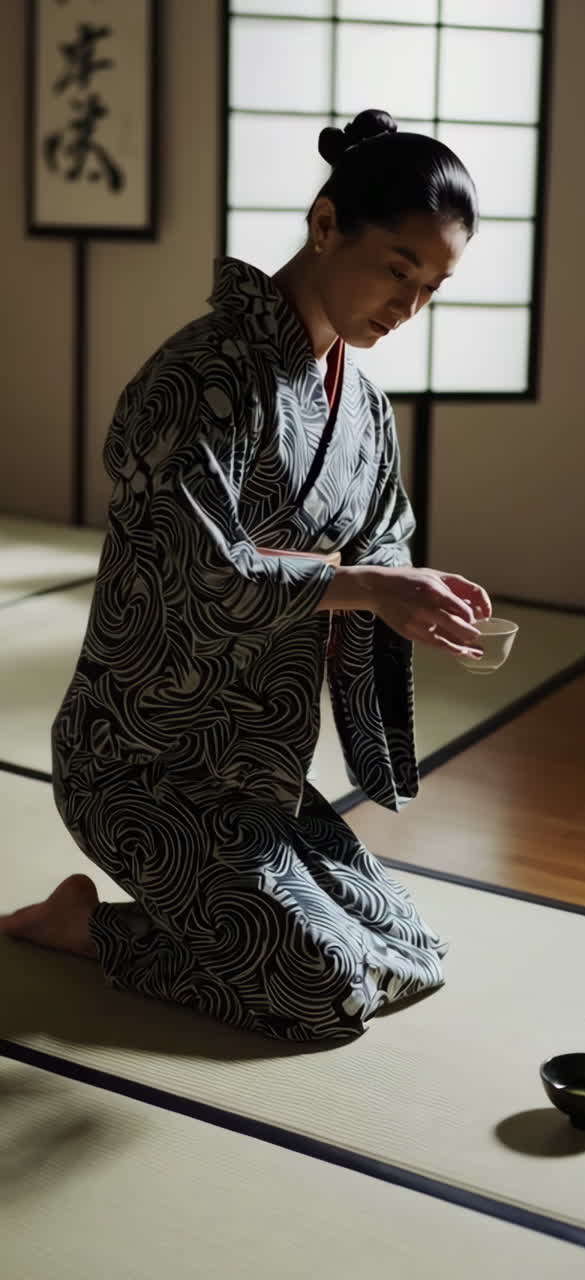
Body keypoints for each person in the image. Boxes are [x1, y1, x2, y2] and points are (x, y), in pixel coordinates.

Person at [1, 109, 491, 1042]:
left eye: (433, 287)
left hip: (255, 768)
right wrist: (366, 587)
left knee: (411, 950)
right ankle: (85, 931)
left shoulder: (364, 409)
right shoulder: (198, 377)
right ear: (325, 225)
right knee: (327, 991)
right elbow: (197, 571)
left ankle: (169, 916)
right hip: (142, 761)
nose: (410, 306)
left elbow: (383, 541)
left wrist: (409, 595)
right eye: (398, 270)